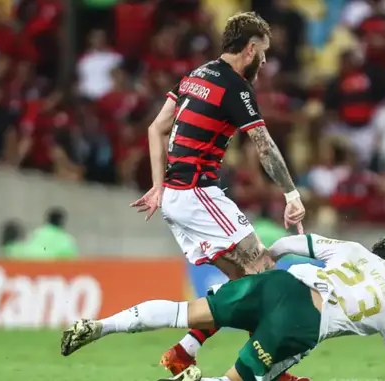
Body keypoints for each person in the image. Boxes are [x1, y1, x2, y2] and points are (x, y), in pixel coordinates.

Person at [130, 12, 306, 376]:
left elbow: (156, 128)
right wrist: (291, 194)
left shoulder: (196, 75)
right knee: (266, 275)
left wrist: (158, 186)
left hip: (177, 197)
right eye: (264, 53)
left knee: (243, 285)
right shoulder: (236, 87)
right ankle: (271, 369)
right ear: (251, 48)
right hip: (197, 193)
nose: (266, 61)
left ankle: (184, 351)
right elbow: (264, 146)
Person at [61, 234, 385, 381]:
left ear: (376, 253)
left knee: (184, 311)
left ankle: (102, 325)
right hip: (303, 323)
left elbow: (290, 243)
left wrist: (268, 260)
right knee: (238, 379)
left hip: (281, 284)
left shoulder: (355, 251)